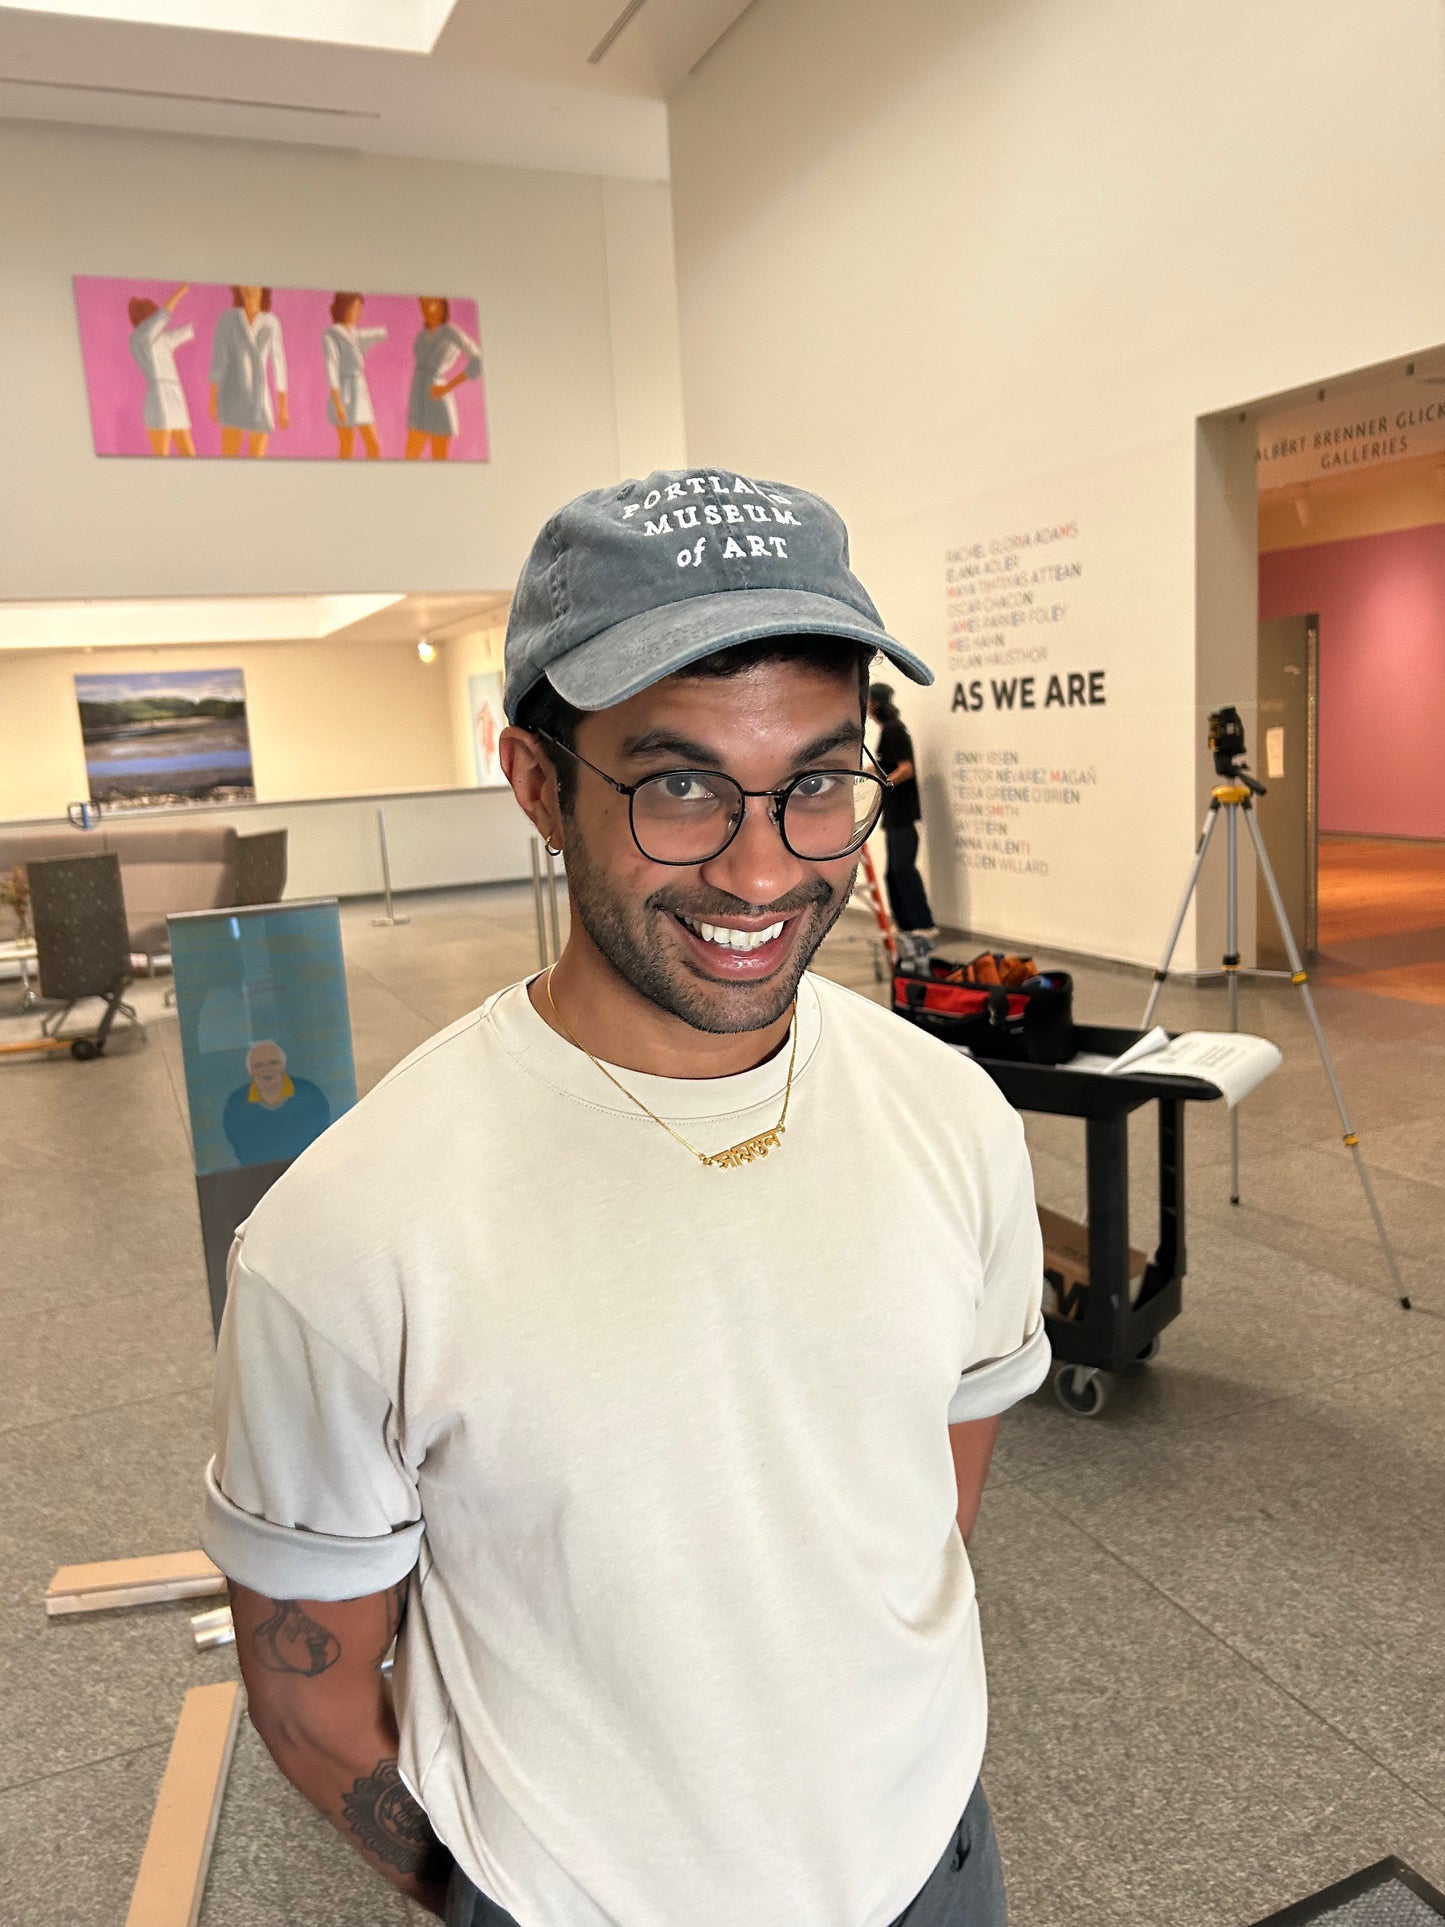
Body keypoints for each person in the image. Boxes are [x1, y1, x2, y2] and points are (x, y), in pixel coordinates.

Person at [203, 467, 1049, 1927]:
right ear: (536, 781)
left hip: (930, 1858)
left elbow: (928, 1507)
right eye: (676, 783)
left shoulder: (953, 1117)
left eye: (818, 783)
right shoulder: (348, 1234)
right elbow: (315, 1692)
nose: (760, 862)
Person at [870, 680, 937, 956]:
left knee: (903, 870)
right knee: (892, 872)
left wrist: (884, 782)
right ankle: (906, 925)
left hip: (903, 814)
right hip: (894, 814)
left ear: (875, 704)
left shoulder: (895, 731)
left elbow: (905, 769)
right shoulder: (888, 731)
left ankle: (922, 924)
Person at [222, 1040, 331, 1167]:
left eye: (273, 1063)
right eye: (258, 1065)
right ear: (250, 1071)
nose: (266, 1070)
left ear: (283, 1066)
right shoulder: (236, 1104)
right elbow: (237, 1144)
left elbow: (322, 1133)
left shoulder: (309, 1094)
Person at [209, 285, 289, 458]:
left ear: (263, 289)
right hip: (232, 392)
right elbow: (218, 360)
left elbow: (278, 362)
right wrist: (213, 398)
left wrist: (283, 406)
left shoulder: (271, 321)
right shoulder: (228, 319)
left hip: (259, 394)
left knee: (258, 459)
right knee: (229, 458)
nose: (249, 288)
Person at [405, 296, 482, 460]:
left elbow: (478, 361)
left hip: (437, 398)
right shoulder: (422, 335)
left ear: (441, 305)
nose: (425, 308)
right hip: (418, 397)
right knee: (410, 456)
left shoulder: (450, 332)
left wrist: (447, 387)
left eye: (430, 303)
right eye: (423, 304)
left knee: (439, 459)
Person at [127, 284, 195, 456]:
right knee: (161, 453)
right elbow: (163, 315)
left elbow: (182, 334)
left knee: (189, 452)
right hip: (159, 397)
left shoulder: (159, 339)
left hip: (174, 394)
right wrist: (179, 293)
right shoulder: (140, 337)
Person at [322, 292, 388, 459]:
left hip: (359, 390)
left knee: (373, 444)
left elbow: (373, 335)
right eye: (355, 307)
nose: (358, 312)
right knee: (347, 445)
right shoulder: (332, 333)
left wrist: (390, 329)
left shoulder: (355, 333)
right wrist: (338, 403)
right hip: (344, 393)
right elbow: (332, 365)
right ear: (344, 308)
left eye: (360, 308)